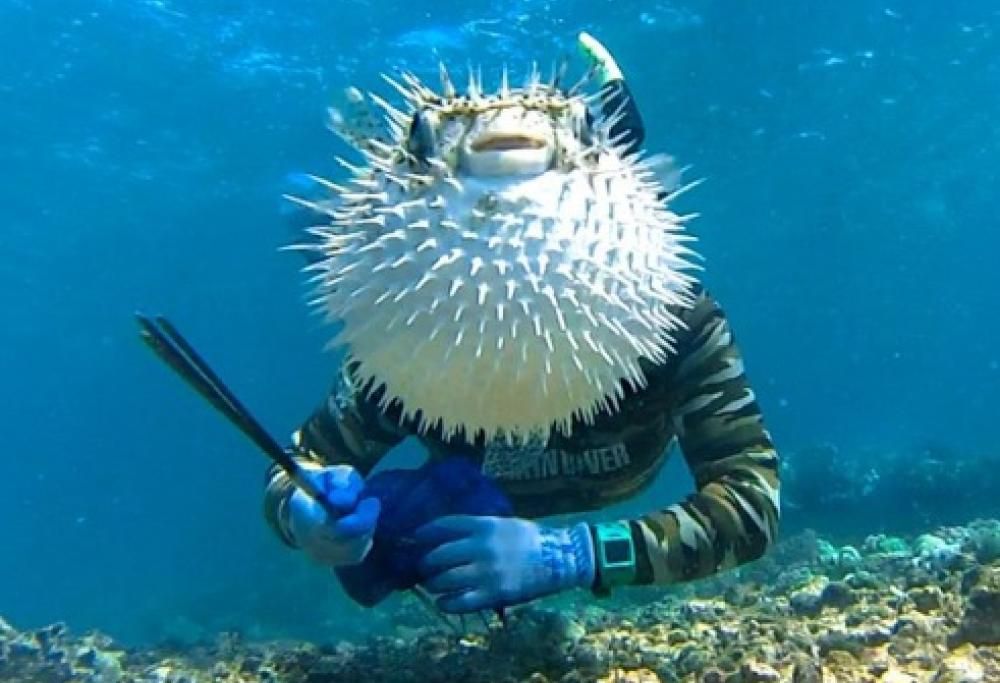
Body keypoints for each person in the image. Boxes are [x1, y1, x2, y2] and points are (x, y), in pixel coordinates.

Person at [264, 34, 780, 614]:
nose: (504, 149)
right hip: (479, 483)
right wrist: (307, 513)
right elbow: (295, 466)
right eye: (426, 141)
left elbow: (752, 506)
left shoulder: (677, 317)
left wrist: (577, 554)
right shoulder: (401, 330)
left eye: (579, 131)